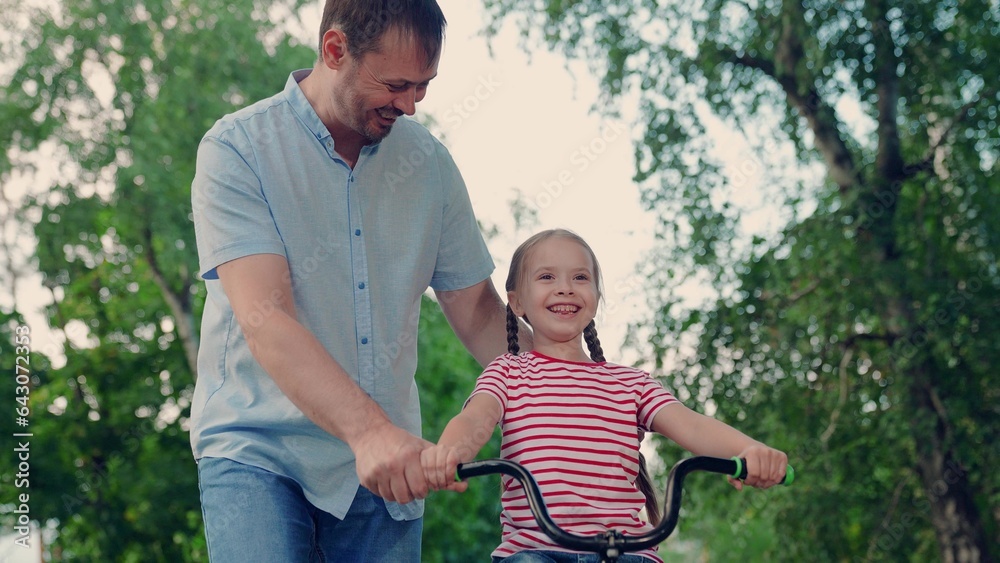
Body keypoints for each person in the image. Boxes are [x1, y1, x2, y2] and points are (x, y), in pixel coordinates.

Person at [189, 1, 521, 561]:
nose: (412, 105)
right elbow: (266, 320)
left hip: (387, 474)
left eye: (423, 86)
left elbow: (481, 313)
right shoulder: (237, 150)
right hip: (259, 453)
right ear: (335, 50)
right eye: (396, 85)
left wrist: (586, 399)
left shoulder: (430, 166)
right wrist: (369, 433)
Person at [421, 229, 788, 563]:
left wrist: (749, 451)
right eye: (547, 277)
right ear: (517, 303)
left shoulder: (630, 384)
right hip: (536, 552)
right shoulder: (509, 372)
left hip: (627, 551)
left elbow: (691, 424)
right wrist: (450, 453)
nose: (565, 288)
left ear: (596, 295)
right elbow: (476, 419)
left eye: (580, 278)